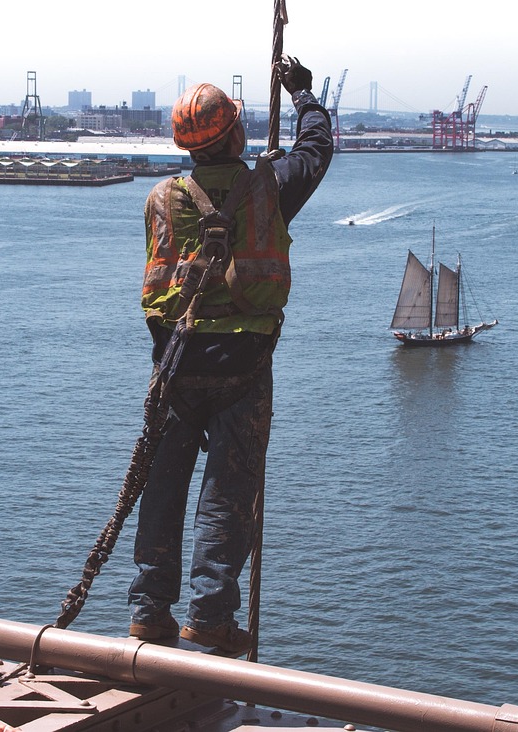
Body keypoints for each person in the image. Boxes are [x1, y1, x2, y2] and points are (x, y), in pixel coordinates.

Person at [128, 55, 332, 656]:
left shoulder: (161, 201)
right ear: (237, 133)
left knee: (161, 485)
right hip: (241, 366)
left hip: (174, 364)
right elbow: (315, 152)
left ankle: (148, 611)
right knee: (228, 491)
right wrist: (303, 97)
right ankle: (210, 619)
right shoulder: (266, 190)